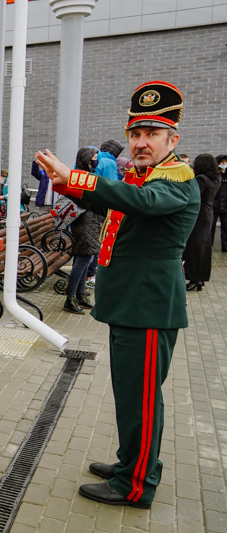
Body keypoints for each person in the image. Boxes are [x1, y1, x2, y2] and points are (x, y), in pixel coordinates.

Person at [36, 81, 199, 509]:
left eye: (152, 134)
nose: (141, 142)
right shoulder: (146, 179)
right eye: (135, 134)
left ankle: (136, 485)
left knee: (141, 400)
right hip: (133, 304)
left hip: (147, 306)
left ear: (172, 140)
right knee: (131, 395)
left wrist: (77, 176)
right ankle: (131, 463)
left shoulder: (176, 180)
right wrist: (67, 185)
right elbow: (117, 204)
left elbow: (137, 202)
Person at [62, 147, 104, 314]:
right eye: (94, 157)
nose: (96, 160)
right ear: (87, 160)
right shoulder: (81, 177)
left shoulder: (86, 174)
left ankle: (80, 294)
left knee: (86, 258)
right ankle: (70, 298)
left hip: (90, 222)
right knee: (83, 260)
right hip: (85, 222)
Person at [183, 154, 220, 291]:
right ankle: (201, 278)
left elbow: (193, 196)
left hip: (198, 215)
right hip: (208, 213)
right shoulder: (216, 178)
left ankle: (194, 279)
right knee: (204, 246)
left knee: (194, 247)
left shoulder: (201, 179)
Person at [211, 154, 227, 251]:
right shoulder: (214, 175)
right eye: (222, 162)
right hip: (214, 206)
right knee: (210, 227)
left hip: (225, 206)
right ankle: (209, 246)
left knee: (226, 227)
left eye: (225, 162)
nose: (224, 163)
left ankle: (225, 246)